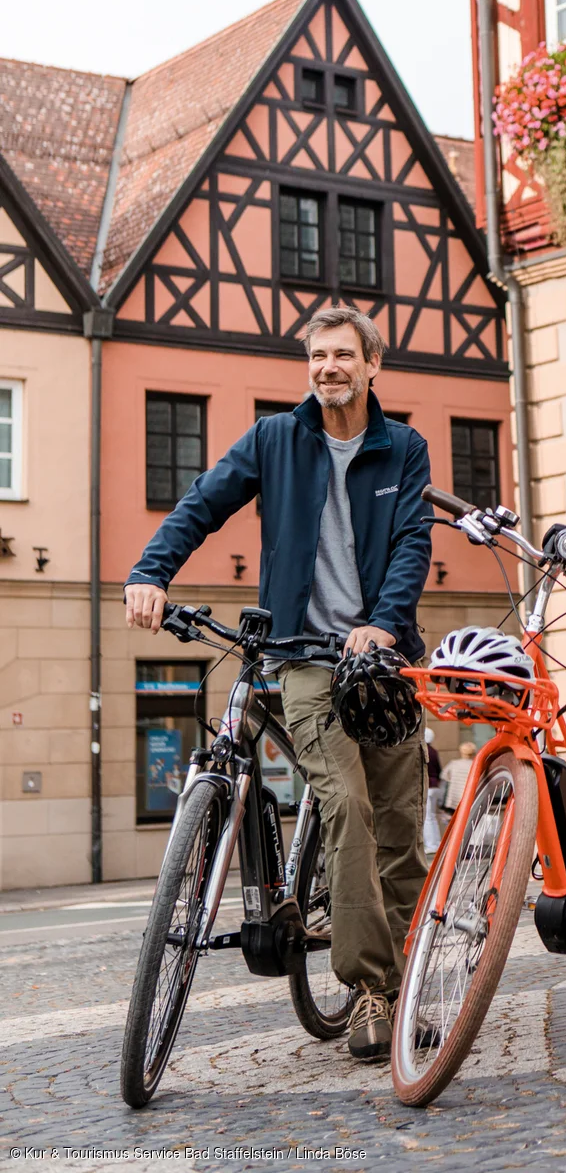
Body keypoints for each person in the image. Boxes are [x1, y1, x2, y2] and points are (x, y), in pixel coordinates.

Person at [124, 305, 432, 1063]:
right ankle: (368, 987)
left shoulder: (405, 450)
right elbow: (203, 503)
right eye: (316, 356)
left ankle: (407, 983)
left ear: (371, 366)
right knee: (347, 805)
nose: (328, 367)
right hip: (304, 660)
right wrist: (150, 572)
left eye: (342, 355)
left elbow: (414, 545)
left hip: (386, 663)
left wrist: (385, 624)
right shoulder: (275, 439)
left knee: (398, 829)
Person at [439, 741, 476, 822]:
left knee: (452, 824)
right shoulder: (475, 764)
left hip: (453, 800)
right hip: (469, 799)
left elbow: (444, 777)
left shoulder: (454, 764)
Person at [422, 729, 444, 853]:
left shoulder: (424, 751)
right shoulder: (434, 751)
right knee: (432, 816)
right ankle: (436, 842)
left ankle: (431, 844)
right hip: (435, 786)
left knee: (427, 817)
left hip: (428, 786)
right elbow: (439, 769)